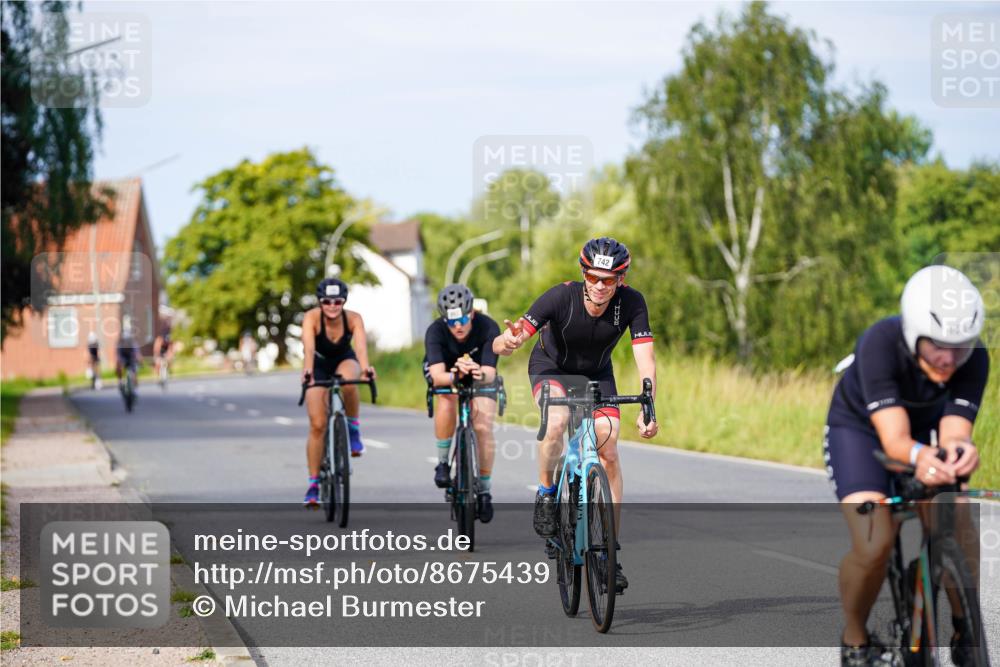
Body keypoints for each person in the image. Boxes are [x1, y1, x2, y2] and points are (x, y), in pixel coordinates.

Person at [824, 265, 989, 666]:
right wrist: (919, 459)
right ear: (914, 333)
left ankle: (965, 627)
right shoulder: (880, 342)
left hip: (922, 431)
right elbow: (895, 440)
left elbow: (952, 433)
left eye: (961, 346)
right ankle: (856, 639)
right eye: (936, 346)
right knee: (874, 541)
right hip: (862, 430)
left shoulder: (973, 358)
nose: (949, 359)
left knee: (956, 518)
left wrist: (959, 452)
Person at [493, 237, 658, 591]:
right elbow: (513, 336)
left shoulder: (632, 303)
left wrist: (648, 406)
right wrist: (506, 343)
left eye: (609, 280)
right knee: (557, 422)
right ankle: (547, 494)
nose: (600, 286)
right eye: (594, 277)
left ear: (621, 279)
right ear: (584, 273)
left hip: (597, 375)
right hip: (551, 368)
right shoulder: (560, 297)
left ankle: (610, 551)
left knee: (609, 448)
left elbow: (646, 357)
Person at [424, 284, 502, 522]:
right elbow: (437, 376)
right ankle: (443, 463)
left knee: (482, 425)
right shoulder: (435, 331)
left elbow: (490, 372)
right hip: (447, 372)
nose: (457, 326)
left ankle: (485, 489)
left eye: (462, 319)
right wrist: (456, 375)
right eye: (451, 321)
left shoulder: (489, 327)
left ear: (472, 313)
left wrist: (475, 371)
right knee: (447, 400)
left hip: (480, 372)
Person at [301, 277, 376, 507]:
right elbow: (309, 348)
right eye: (327, 301)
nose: (332, 306)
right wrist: (308, 372)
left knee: (349, 381)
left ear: (343, 301)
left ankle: (353, 428)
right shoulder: (311, 318)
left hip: (344, 359)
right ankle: (314, 484)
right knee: (317, 425)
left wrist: (366, 369)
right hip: (319, 363)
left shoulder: (353, 318)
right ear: (320, 302)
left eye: (337, 301)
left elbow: (361, 348)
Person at [115, 320, 141, 386]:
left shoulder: (133, 344)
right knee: (119, 366)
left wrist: (139, 358)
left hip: (131, 357)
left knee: (134, 371)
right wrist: (119, 363)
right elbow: (118, 356)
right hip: (123, 357)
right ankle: (120, 380)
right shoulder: (120, 345)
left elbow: (137, 353)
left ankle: (134, 385)